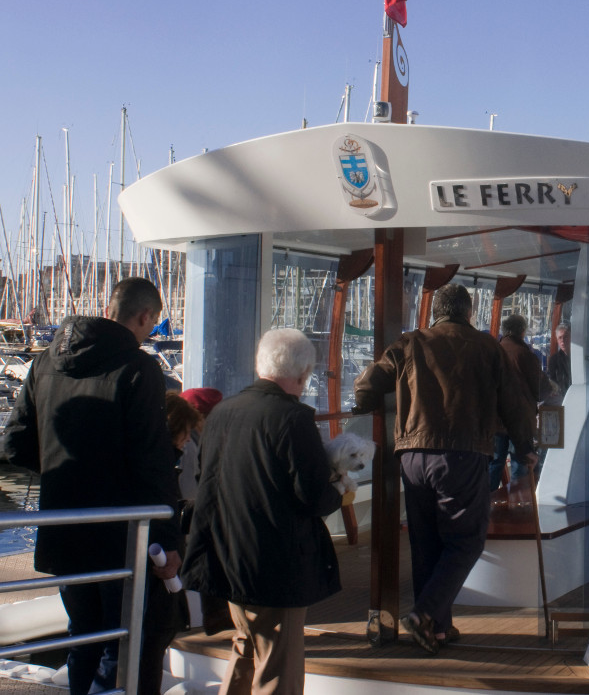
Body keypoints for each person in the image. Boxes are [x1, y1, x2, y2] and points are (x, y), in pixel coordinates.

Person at [3, 277, 183, 695]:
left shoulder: (46, 360)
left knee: (82, 637)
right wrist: (168, 537)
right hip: (120, 533)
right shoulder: (138, 368)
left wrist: (65, 473)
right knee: (121, 642)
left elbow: (15, 442)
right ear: (145, 318)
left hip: (64, 526)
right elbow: (151, 462)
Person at [352, 284, 538, 654]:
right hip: (461, 454)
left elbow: (366, 384)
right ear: (468, 312)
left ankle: (436, 629)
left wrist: (364, 403)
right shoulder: (488, 348)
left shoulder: (411, 342)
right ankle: (423, 616)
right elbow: (515, 404)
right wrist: (525, 448)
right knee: (466, 540)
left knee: (426, 543)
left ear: (434, 311)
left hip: (411, 456)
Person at [182, 328, 342, 695]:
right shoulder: (293, 418)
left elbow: (204, 477)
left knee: (246, 649)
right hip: (275, 563)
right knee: (278, 670)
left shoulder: (221, 413)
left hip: (227, 555)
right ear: (303, 374)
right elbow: (313, 496)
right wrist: (337, 488)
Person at [138, 392, 201, 695]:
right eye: (187, 434)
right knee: (153, 643)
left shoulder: (147, 459)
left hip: (149, 565)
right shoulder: (162, 467)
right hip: (159, 567)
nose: (189, 441)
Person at [489, 314, 548, 489]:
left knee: (495, 464)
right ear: (522, 332)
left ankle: (487, 507)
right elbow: (541, 389)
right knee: (519, 466)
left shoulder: (494, 352)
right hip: (520, 419)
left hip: (496, 420)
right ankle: (517, 506)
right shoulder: (524, 354)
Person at [546, 323, 571, 403]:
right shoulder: (554, 360)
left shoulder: (579, 357)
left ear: (571, 337)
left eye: (565, 337)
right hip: (562, 400)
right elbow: (552, 382)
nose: (562, 340)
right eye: (560, 338)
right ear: (557, 340)